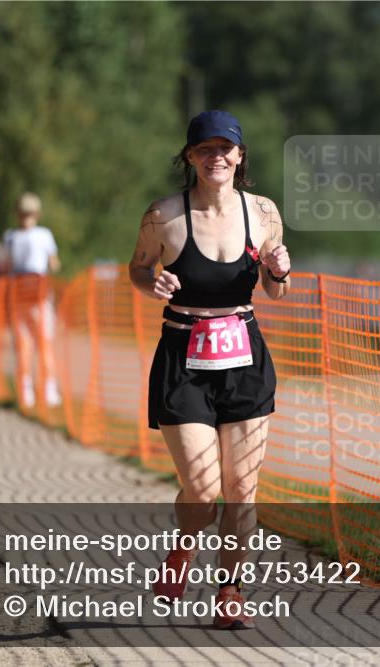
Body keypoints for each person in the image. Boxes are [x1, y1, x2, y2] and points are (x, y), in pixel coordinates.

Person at [128, 110, 290, 630]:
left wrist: (279, 272)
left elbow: (275, 288)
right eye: (204, 149)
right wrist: (150, 283)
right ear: (190, 157)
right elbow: (137, 266)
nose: (215, 156)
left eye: (225, 148)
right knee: (201, 487)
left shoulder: (263, 213)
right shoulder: (163, 216)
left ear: (240, 156)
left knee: (242, 488)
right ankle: (183, 548)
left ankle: (231, 591)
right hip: (183, 358)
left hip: (244, 356)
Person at [3, 192, 62, 408]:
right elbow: (54, 263)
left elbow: (6, 266)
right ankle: (46, 390)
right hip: (34, 295)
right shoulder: (42, 234)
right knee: (40, 344)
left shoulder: (10, 236)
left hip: (22, 294)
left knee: (27, 345)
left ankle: (29, 391)